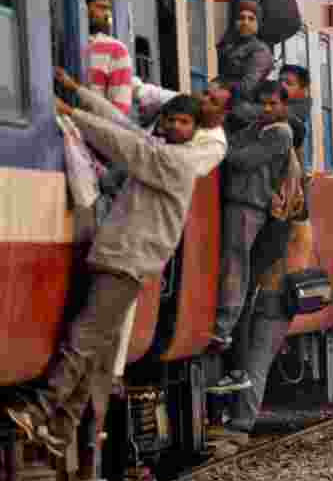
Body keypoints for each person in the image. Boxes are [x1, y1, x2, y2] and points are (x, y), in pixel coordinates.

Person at [6, 90, 211, 457]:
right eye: (172, 119)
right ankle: (61, 429)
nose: (177, 126)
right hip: (123, 259)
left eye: (185, 122)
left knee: (83, 337)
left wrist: (74, 115)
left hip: (126, 262)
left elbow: (128, 147)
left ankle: (38, 409)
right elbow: (123, 126)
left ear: (195, 130)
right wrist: (79, 93)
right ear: (163, 120)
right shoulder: (160, 149)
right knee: (96, 348)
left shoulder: (176, 161)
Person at [210, 81, 294, 391]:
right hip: (244, 203)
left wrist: (227, 146)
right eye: (263, 103)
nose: (267, 109)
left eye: (273, 104)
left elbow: (240, 158)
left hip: (249, 205)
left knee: (236, 265)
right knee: (234, 265)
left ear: (284, 106)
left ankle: (222, 328)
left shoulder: (280, 133)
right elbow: (236, 144)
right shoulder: (259, 128)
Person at [84, 0, 134, 116]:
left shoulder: (115, 50)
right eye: (100, 7)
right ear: (83, 7)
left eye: (108, 9)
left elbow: (119, 111)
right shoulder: (116, 50)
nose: (106, 15)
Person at [218, 0, 274, 119]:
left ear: (258, 24)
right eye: (241, 18)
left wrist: (220, 85)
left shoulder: (260, 50)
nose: (245, 22)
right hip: (227, 102)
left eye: (251, 19)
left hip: (245, 108)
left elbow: (247, 87)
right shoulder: (229, 46)